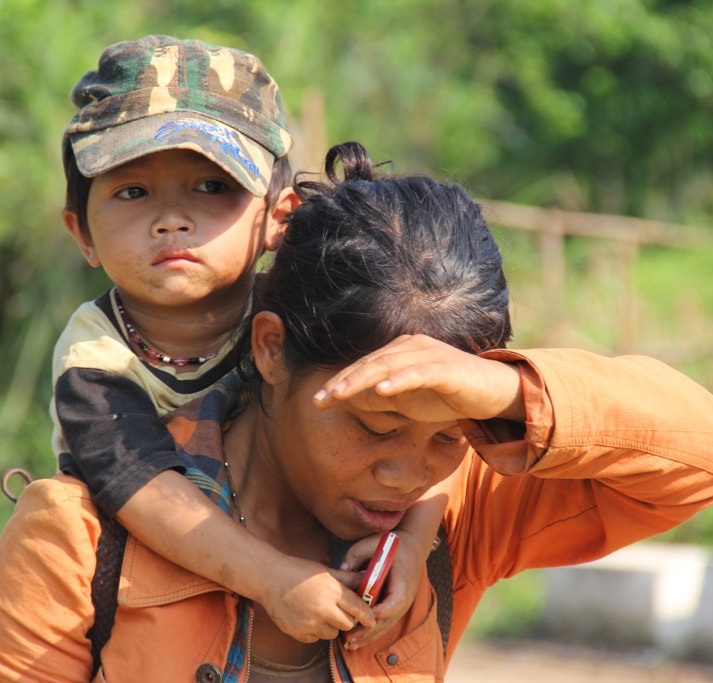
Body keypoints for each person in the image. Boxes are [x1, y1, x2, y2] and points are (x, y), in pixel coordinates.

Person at [0, 140, 713, 681]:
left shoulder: (448, 522)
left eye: (449, 434)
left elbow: (704, 459)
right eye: (374, 424)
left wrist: (507, 393)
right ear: (270, 350)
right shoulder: (82, 539)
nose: (406, 473)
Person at [49, 34, 443, 650]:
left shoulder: (309, 314)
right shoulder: (95, 361)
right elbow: (146, 492)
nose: (171, 219)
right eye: (132, 191)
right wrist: (274, 579)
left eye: (212, 188)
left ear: (277, 217)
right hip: (147, 596)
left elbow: (426, 414)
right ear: (83, 233)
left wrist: (412, 544)